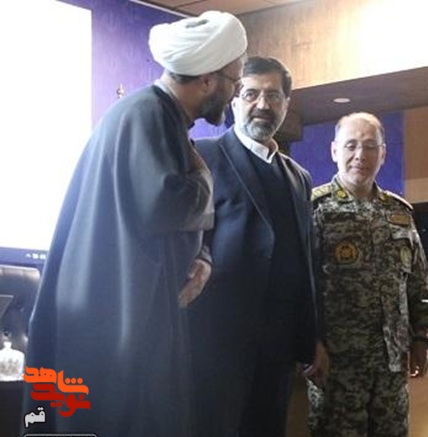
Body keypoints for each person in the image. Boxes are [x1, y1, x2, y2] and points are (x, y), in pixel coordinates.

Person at [23, 11, 247, 437]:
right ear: (206, 80)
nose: (234, 91)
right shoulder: (146, 115)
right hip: (114, 332)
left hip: (130, 322)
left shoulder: (158, 117)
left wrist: (201, 256)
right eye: (234, 80)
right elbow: (161, 203)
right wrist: (205, 176)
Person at [188, 56, 319, 437]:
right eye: (251, 94)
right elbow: (189, 243)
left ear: (286, 104)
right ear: (233, 100)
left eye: (274, 96)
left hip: (278, 350)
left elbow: (306, 262)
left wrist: (311, 338)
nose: (263, 104)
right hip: (215, 345)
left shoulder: (299, 177)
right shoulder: (203, 156)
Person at [306, 112, 428, 437]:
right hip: (336, 364)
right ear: (334, 151)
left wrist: (421, 339)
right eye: (351, 145)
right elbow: (302, 285)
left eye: (370, 147)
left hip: (391, 363)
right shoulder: (314, 209)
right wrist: (310, 343)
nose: (360, 155)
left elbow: (418, 282)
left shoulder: (399, 212)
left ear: (383, 154)